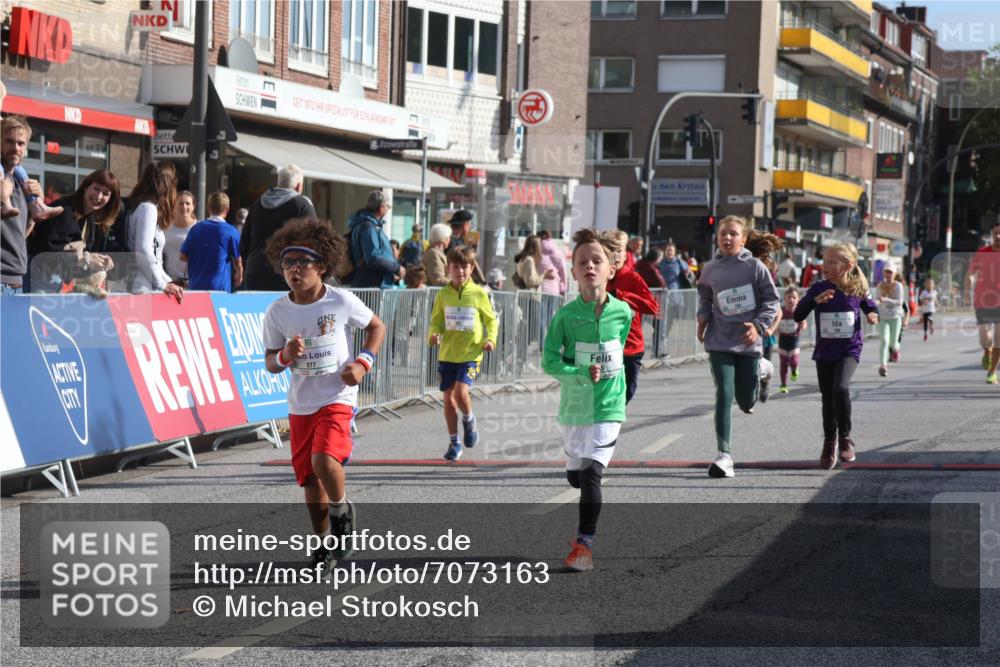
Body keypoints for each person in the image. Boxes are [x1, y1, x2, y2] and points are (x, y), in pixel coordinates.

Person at [261, 218, 386, 573]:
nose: (294, 270)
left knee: (324, 462)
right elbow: (270, 362)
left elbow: (377, 326)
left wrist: (363, 362)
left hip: (337, 396)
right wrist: (285, 356)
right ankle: (321, 545)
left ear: (322, 266)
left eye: (302, 262)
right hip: (301, 403)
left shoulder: (341, 300)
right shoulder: (277, 311)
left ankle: (342, 509)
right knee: (309, 481)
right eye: (288, 263)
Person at [542, 228, 632, 572]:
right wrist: (581, 372)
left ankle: (584, 546)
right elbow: (550, 360)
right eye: (583, 261)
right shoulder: (566, 316)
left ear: (611, 268)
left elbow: (619, 349)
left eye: (598, 260)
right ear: (574, 271)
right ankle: (574, 470)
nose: (590, 265)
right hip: (576, 406)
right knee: (577, 476)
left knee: (592, 473)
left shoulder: (622, 313)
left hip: (610, 405)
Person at [696, 216, 781, 478]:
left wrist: (757, 326)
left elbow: (772, 300)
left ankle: (762, 370)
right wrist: (702, 319)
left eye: (733, 234)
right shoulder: (710, 268)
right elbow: (705, 296)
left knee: (745, 401)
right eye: (723, 234)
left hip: (748, 340)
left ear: (743, 239)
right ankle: (724, 454)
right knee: (724, 392)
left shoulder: (754, 267)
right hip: (720, 339)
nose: (727, 238)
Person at [793, 242, 878, 469]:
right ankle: (829, 442)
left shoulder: (857, 288)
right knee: (827, 398)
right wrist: (813, 301)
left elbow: (871, 307)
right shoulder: (818, 288)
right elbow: (797, 314)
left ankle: (845, 438)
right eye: (825, 260)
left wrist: (872, 316)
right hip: (825, 351)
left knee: (840, 388)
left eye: (831, 262)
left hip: (849, 349)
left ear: (847, 265)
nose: (825, 265)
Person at [428, 246, 498, 461]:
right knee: (448, 401)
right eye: (456, 267)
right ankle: (454, 442)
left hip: (471, 352)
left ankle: (469, 419)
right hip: (448, 353)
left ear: (472, 268)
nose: (460, 271)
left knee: (460, 393)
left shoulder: (478, 293)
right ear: (448, 268)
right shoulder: (443, 294)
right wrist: (433, 335)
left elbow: (490, 320)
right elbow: (436, 321)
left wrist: (490, 339)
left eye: (465, 267)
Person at [27, 169, 121, 296]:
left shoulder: (89, 218)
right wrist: (86, 259)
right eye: (96, 189)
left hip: (54, 284)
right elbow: (45, 255)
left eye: (106, 193)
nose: (99, 196)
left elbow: (74, 259)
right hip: (37, 281)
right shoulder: (64, 211)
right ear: (86, 187)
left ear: (111, 199)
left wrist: (98, 261)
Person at [2, 116, 60, 294]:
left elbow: (20, 234)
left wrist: (36, 205)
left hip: (16, 277)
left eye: (21, 143)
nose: (15, 148)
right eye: (9, 141)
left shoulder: (21, 182)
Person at [602, 230, 659, 404]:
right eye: (610, 250)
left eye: (619, 250)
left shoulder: (632, 278)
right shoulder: (600, 277)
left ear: (626, 253)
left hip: (631, 345)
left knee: (627, 390)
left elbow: (652, 307)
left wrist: (623, 296)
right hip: (606, 345)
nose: (616, 255)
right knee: (606, 393)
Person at [240, 165, 316, 290]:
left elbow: (244, 243)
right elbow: (314, 242)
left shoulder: (257, 204)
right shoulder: (302, 205)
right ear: (299, 186)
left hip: (255, 272)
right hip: (287, 274)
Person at [125, 161, 184, 300]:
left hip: (143, 282)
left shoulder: (140, 206)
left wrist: (167, 281)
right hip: (142, 286)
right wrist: (163, 284)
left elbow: (152, 257)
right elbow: (144, 250)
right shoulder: (148, 208)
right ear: (167, 184)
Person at [179, 192, 243, 292]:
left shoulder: (195, 229)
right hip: (219, 290)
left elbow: (182, 256)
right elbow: (238, 260)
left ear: (208, 208)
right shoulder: (232, 232)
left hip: (196, 287)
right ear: (227, 210)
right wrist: (239, 273)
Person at [965, 221, 1000, 384]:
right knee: (985, 337)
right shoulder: (982, 253)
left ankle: (992, 372)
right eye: (995, 233)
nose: (998, 236)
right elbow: (971, 273)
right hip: (983, 299)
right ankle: (987, 351)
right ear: (992, 235)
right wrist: (968, 288)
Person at [347, 190, 404, 289]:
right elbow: (373, 258)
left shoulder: (369, 225)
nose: (388, 210)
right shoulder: (369, 227)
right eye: (388, 207)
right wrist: (396, 268)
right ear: (381, 208)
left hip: (374, 284)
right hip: (372, 286)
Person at [875, 263, 905, 377]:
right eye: (886, 271)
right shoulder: (879, 286)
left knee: (893, 343)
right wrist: (874, 304)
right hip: (883, 317)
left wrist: (886, 299)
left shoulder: (898, 285)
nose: (888, 274)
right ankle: (883, 365)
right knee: (884, 341)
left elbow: (900, 302)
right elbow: (878, 300)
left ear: (895, 273)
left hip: (895, 316)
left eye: (890, 272)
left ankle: (896, 349)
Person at [776, 287, 806, 394]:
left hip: (794, 340)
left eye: (794, 297)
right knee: (783, 363)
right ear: (784, 299)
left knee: (793, 360)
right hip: (783, 340)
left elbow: (804, 324)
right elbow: (775, 322)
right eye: (789, 297)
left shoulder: (799, 311)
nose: (791, 300)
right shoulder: (781, 311)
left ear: (798, 300)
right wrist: (774, 329)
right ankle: (783, 385)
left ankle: (794, 369)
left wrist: (802, 324)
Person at [163, 190, 196, 284]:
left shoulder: (199, 228)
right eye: (181, 203)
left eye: (188, 203)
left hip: (192, 283)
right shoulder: (165, 228)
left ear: (193, 207)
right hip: (169, 282)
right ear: (174, 206)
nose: (184, 207)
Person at [447, 209, 486, 284]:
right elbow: (464, 262)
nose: (470, 229)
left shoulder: (459, 240)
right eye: (469, 225)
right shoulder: (451, 242)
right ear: (465, 225)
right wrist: (483, 282)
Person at [538, 230, 567, 295]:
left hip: (539, 289)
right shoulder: (558, 252)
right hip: (555, 288)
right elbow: (563, 274)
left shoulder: (536, 252)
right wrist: (563, 289)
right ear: (550, 237)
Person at [422, 223, 451, 287]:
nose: (449, 239)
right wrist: (458, 285)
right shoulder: (434, 255)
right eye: (448, 237)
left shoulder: (435, 253)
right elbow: (438, 280)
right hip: (434, 295)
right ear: (443, 239)